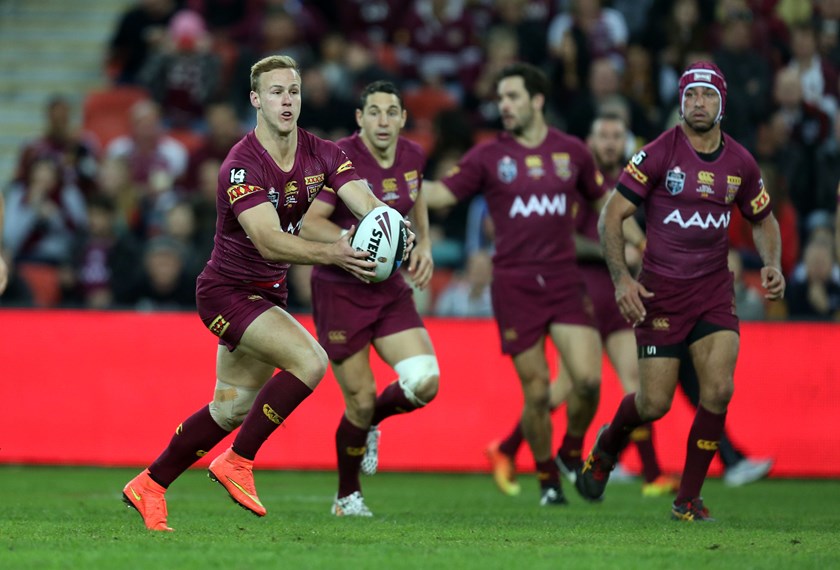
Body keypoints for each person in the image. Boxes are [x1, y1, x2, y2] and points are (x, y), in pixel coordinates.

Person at [122, 55, 403, 532]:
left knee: (229, 409)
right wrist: (334, 253)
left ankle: (150, 484)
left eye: (292, 91)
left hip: (266, 294)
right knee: (311, 361)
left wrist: (395, 230)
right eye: (275, 92)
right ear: (256, 99)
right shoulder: (240, 166)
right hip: (227, 293)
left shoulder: (324, 153)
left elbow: (367, 203)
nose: (286, 100)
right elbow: (268, 240)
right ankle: (238, 462)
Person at [576, 61, 785, 522]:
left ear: (721, 103)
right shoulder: (657, 154)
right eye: (690, 96)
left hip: (712, 291)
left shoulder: (741, 163)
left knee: (719, 389)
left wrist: (771, 264)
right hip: (660, 294)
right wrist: (622, 280)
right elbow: (611, 215)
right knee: (654, 404)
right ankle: (608, 444)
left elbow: (763, 218)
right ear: (680, 102)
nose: (698, 103)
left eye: (707, 96)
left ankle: (687, 499)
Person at [424, 62, 607, 506]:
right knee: (539, 390)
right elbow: (443, 195)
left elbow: (605, 206)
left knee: (587, 381)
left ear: (537, 100)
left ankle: (570, 447)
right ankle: (548, 480)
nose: (503, 106)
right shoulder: (488, 156)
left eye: (512, 97)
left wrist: (638, 242)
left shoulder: (573, 153)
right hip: (515, 285)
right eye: (500, 99)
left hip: (564, 280)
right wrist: (389, 181)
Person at [485, 113, 679, 498]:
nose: (609, 143)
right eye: (603, 135)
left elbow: (627, 227)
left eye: (616, 135)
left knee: (634, 382)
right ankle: (506, 447)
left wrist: (643, 248)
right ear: (589, 140)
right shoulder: (572, 182)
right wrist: (613, 251)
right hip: (581, 293)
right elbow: (564, 240)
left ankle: (652, 473)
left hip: (619, 296)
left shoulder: (626, 183)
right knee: (565, 387)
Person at [300, 80, 438, 517]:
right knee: (358, 399)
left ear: (402, 118)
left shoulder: (414, 155)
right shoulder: (339, 157)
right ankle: (347, 496)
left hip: (388, 289)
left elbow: (415, 203)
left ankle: (374, 420)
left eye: (391, 112)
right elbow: (308, 223)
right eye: (373, 111)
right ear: (359, 118)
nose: (383, 120)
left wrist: (424, 246)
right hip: (340, 287)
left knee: (424, 382)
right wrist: (355, 240)